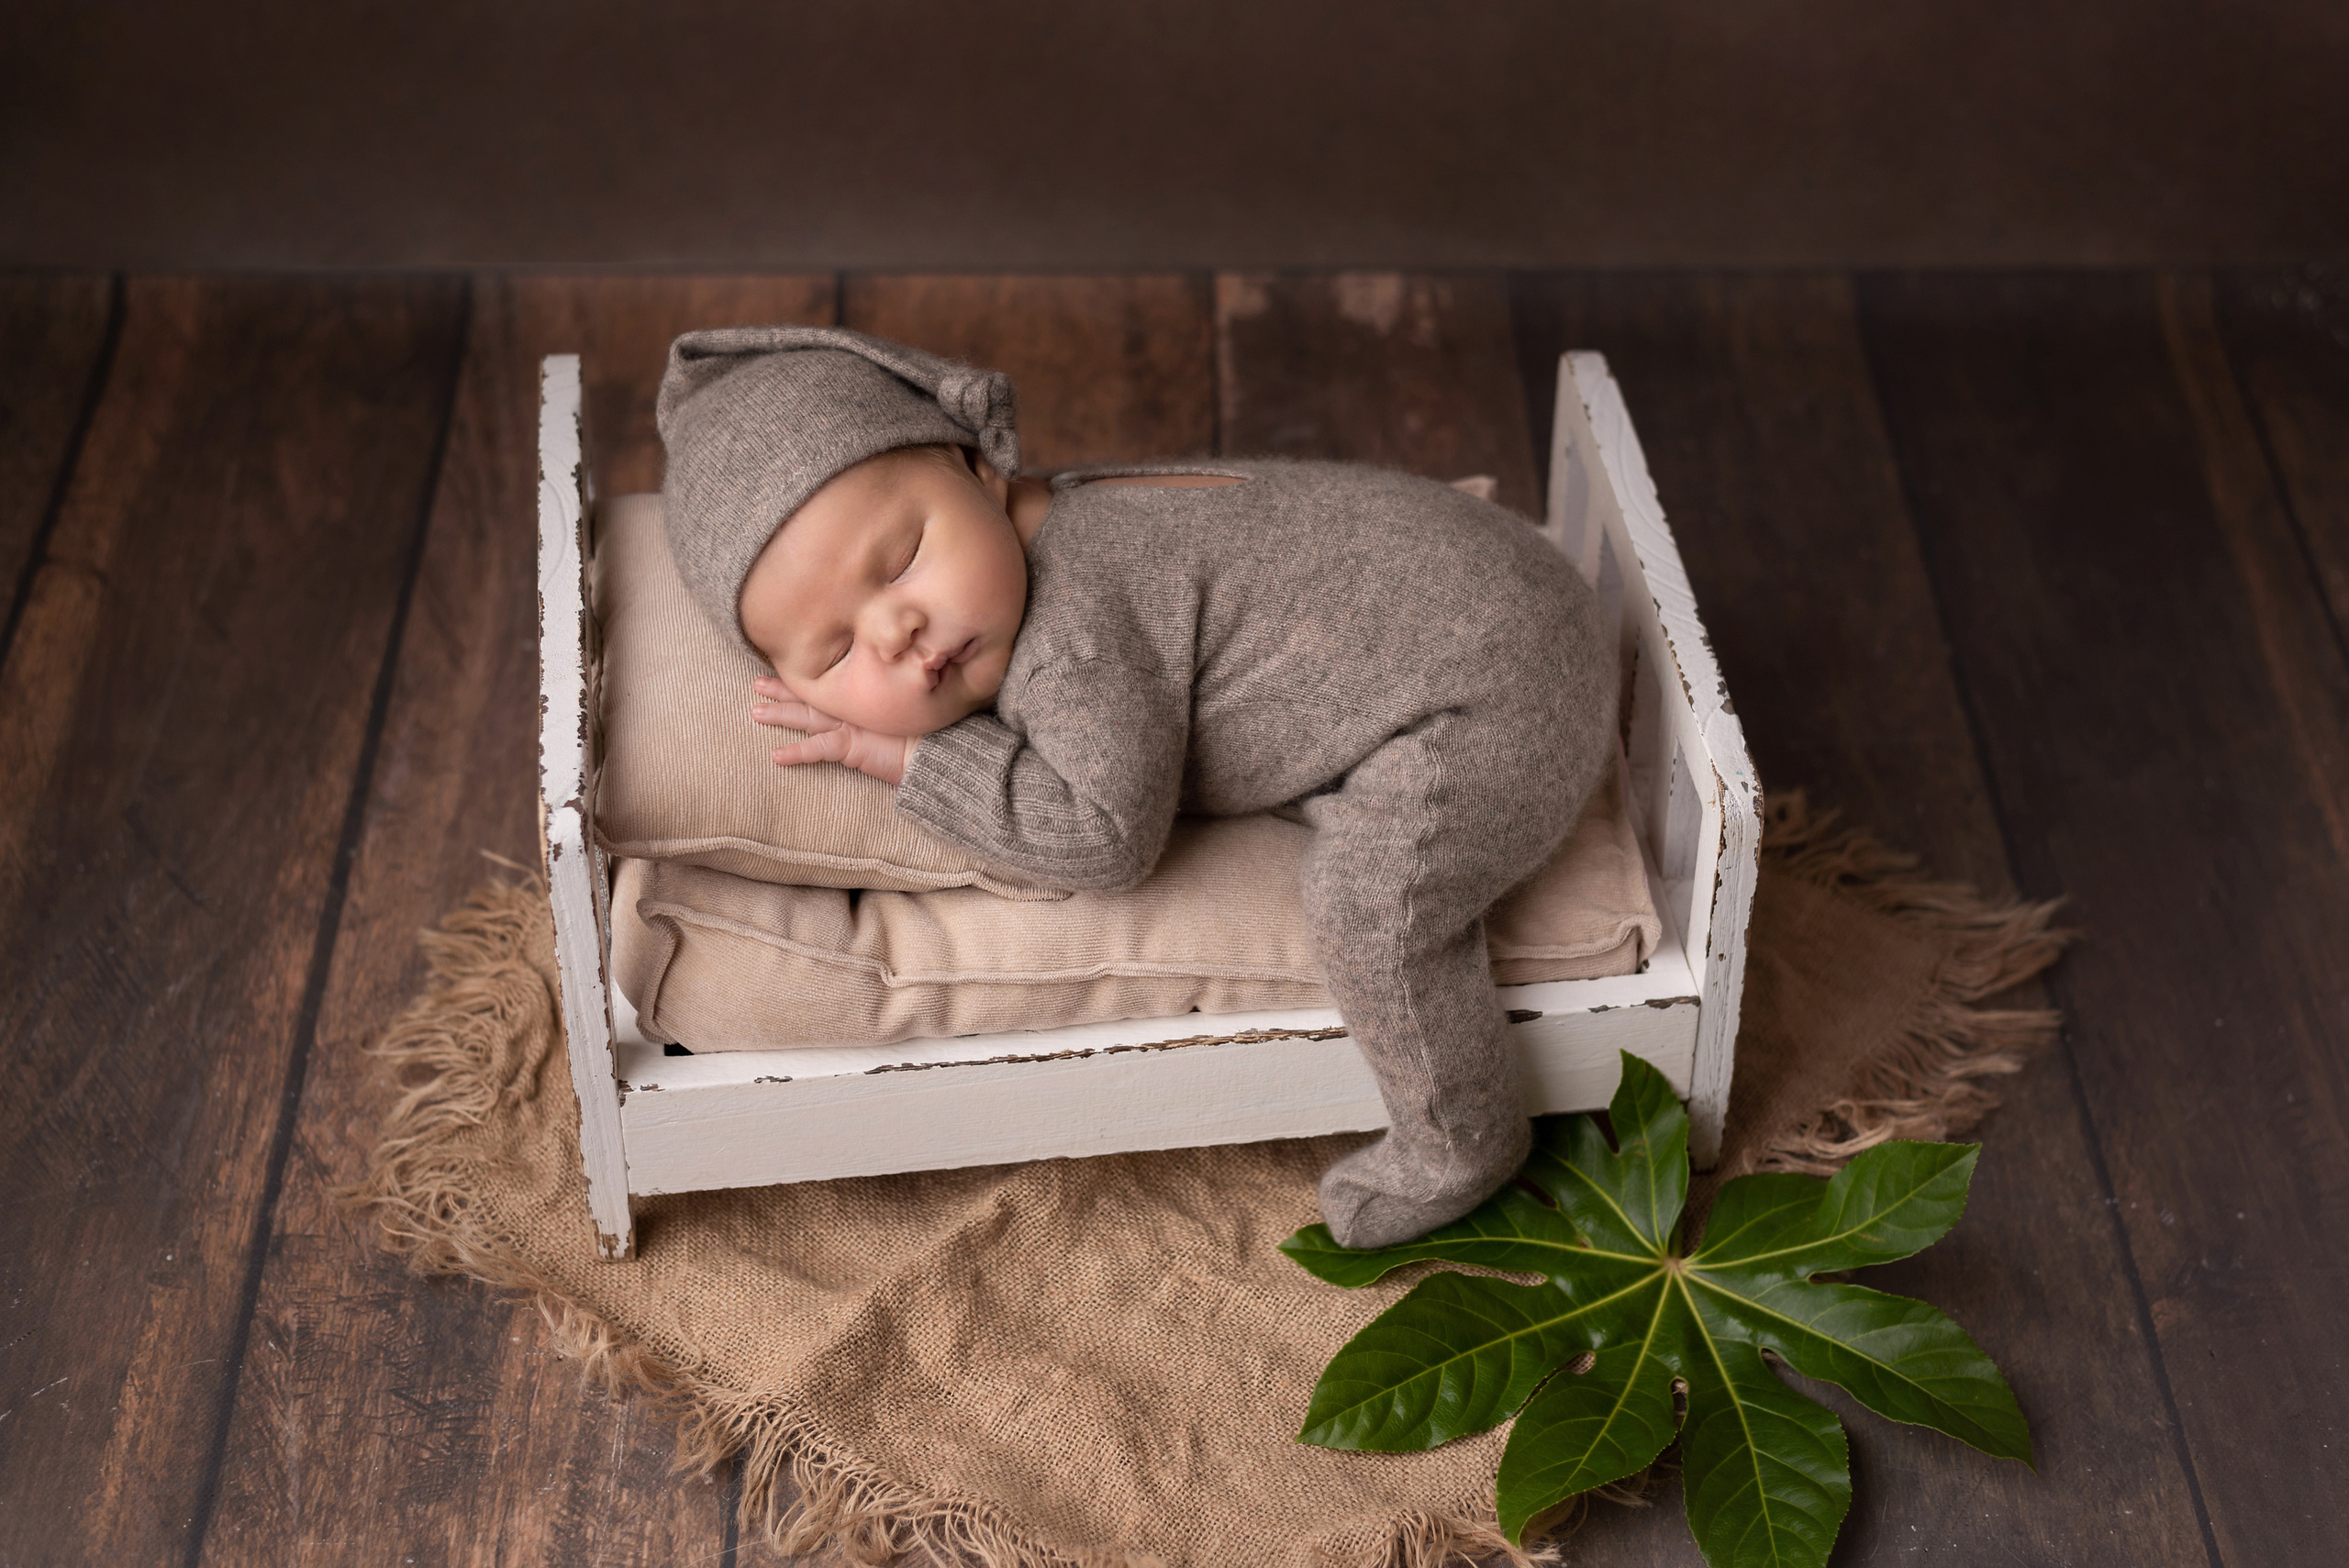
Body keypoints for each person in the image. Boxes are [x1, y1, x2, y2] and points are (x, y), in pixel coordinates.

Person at [657, 325, 1615, 1248]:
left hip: (1495, 688)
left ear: (978, 469)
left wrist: (910, 758)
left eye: (902, 556)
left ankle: (1461, 1144)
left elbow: (1105, 836)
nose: (898, 628)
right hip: (1489, 579)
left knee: (1371, 911)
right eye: (836, 649)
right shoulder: (1047, 520)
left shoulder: (1075, 629)